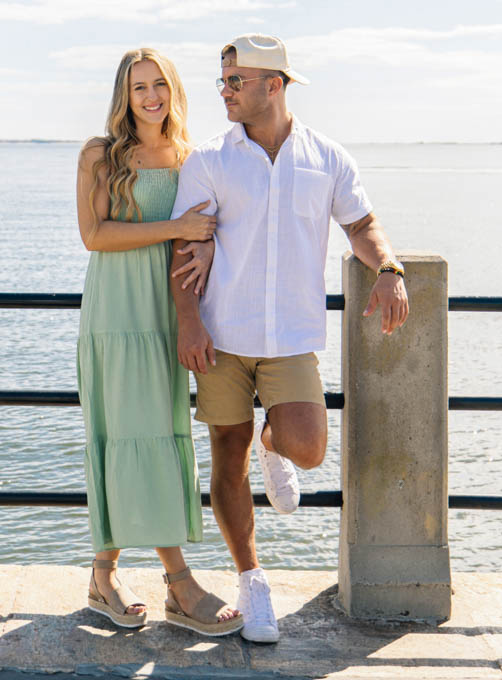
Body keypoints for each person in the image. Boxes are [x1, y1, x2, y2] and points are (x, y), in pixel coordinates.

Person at [169, 34, 409, 643]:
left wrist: (388, 268)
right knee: (227, 453)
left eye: (235, 82)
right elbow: (185, 250)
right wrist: (189, 320)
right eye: (221, 80)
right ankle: (253, 585)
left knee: (308, 447)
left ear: (273, 85)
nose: (223, 91)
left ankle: (273, 444)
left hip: (290, 338)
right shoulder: (209, 161)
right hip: (221, 337)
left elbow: (361, 224)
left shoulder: (328, 158)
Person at [75, 48, 243, 637]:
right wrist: (174, 227)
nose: (151, 96)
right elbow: (94, 236)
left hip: (170, 311)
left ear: (174, 91)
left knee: (157, 434)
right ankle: (178, 581)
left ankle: (103, 573)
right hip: (117, 313)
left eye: (160, 85)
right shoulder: (100, 154)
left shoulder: (192, 158)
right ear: (124, 95)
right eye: (139, 86)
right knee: (121, 434)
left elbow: (211, 236)